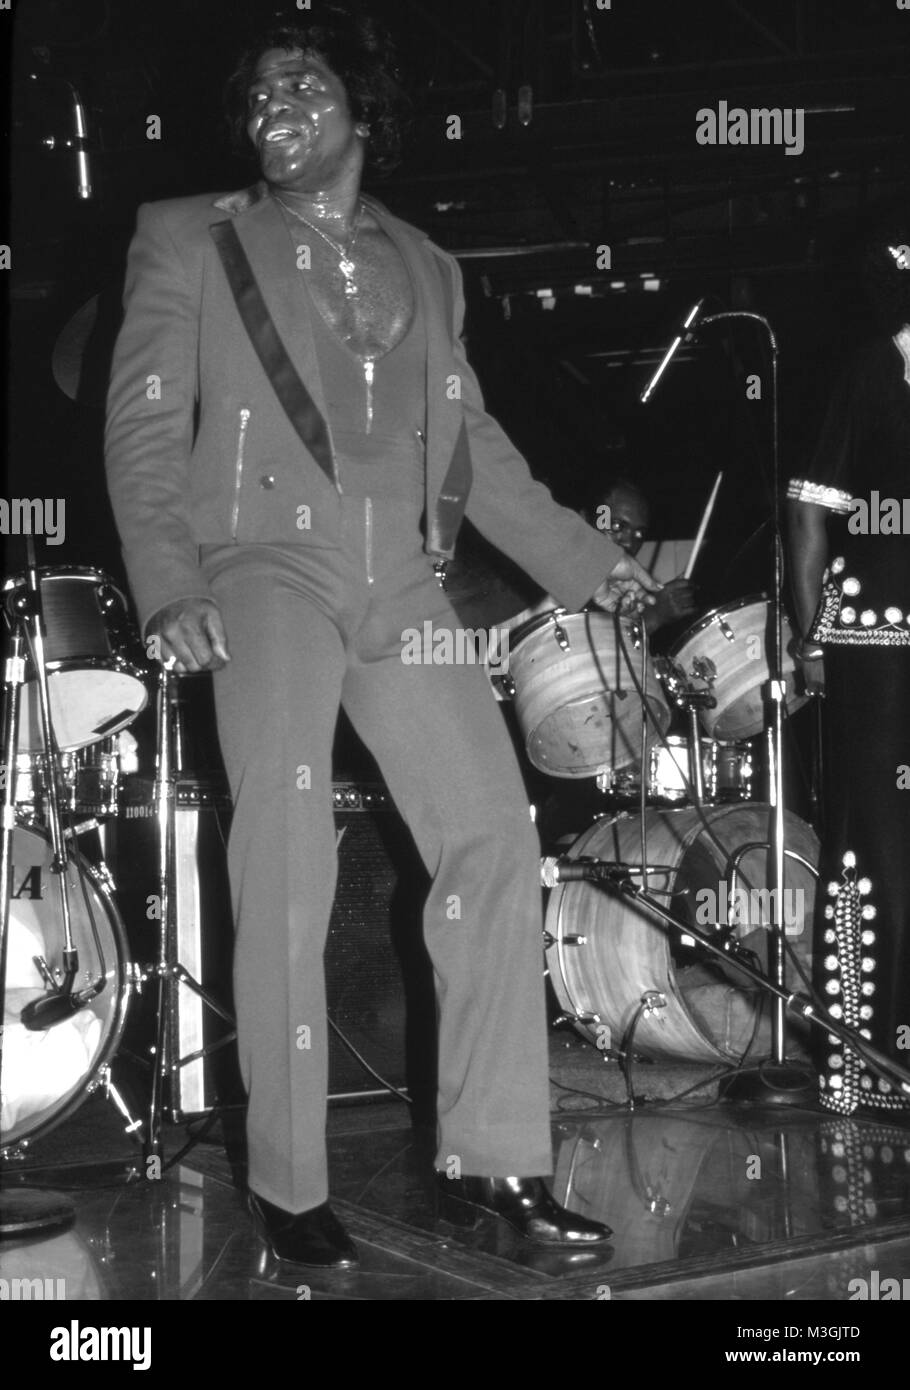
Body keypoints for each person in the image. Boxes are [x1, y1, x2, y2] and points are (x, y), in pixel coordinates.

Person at [104, 8, 661, 1268]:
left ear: (361, 109)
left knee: (490, 840)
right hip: (262, 568)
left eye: (299, 85)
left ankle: (497, 1162)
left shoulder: (427, 263)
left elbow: (481, 453)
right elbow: (143, 426)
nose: (271, 110)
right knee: (287, 850)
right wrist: (166, 581)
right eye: (255, 98)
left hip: (402, 587)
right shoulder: (189, 236)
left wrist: (595, 568)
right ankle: (291, 1178)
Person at [786, 225, 910, 1119]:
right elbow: (806, 516)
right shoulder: (872, 371)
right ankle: (859, 1059)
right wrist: (812, 642)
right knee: (874, 845)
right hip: (876, 644)